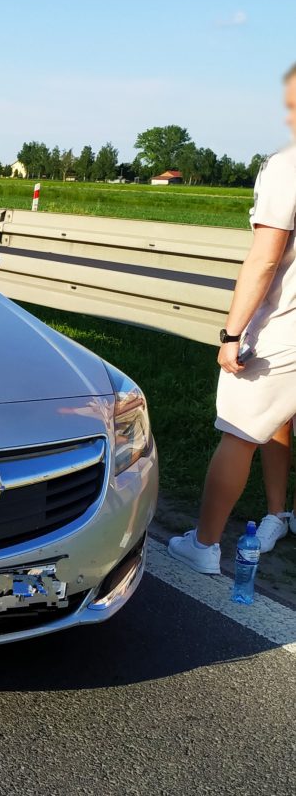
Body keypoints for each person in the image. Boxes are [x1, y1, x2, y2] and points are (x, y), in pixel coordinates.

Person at [169, 63, 296, 573]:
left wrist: (232, 333)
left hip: (284, 327)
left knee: (240, 430)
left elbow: (265, 259)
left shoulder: (287, 167)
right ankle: (277, 513)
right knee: (279, 421)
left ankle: (203, 546)